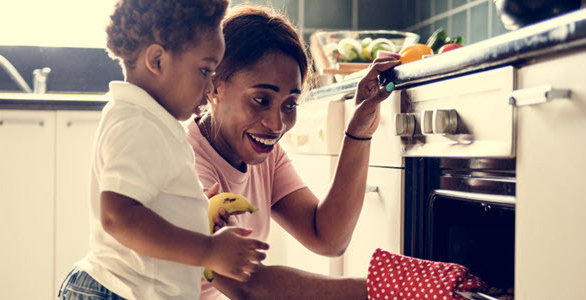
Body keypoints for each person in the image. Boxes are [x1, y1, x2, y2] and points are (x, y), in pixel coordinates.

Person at [57, 1, 269, 299]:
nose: (210, 88)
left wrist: (190, 209)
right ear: (157, 60)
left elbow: (146, 202)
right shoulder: (139, 125)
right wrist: (209, 250)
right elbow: (119, 217)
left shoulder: (146, 119)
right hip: (120, 293)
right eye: (205, 70)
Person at [188, 4, 401, 299]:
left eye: (289, 104)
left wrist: (359, 131)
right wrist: (387, 291)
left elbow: (326, 236)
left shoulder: (265, 156)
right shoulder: (188, 164)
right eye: (261, 99)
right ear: (214, 86)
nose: (277, 125)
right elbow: (246, 285)